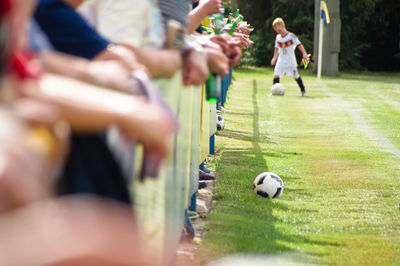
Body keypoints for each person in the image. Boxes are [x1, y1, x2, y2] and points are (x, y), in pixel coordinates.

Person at [270, 17, 309, 97]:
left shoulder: (291, 36)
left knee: (296, 76)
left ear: (283, 25)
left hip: (290, 60)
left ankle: (303, 90)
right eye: (276, 30)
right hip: (281, 60)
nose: (278, 31)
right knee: (276, 75)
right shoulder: (278, 37)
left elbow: (299, 45)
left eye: (278, 29)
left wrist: (304, 54)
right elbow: (276, 48)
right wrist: (274, 58)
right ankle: (274, 91)